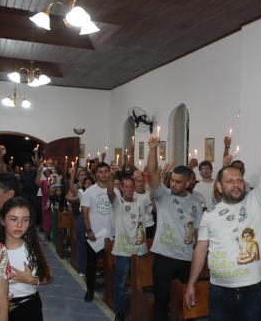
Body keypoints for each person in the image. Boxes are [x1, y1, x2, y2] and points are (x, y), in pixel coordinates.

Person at [184, 122, 261, 321]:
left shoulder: (255, 201)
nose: (236, 184)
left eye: (239, 180)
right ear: (219, 186)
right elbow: (201, 250)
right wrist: (191, 283)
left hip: (251, 289)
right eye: (230, 181)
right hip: (219, 290)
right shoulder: (210, 214)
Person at [147, 135, 204, 321]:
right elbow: (153, 172)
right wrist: (154, 148)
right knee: (161, 300)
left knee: (184, 302)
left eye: (178, 182)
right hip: (164, 257)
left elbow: (199, 232)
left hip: (187, 258)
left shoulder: (197, 202)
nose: (173, 184)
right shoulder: (164, 195)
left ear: (189, 183)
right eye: (172, 180)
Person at [0, 197, 53, 321]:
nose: (19, 225)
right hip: (3, 308)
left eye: (25, 220)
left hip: (31, 305)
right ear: (2, 220)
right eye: (13, 219)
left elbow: (49, 277)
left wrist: (31, 280)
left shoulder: (32, 245)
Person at [111, 177, 151, 321]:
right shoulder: (117, 202)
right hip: (122, 251)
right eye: (125, 187)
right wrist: (111, 176)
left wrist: (163, 175)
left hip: (139, 250)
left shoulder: (141, 200)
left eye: (131, 187)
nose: (128, 189)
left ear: (134, 188)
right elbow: (110, 192)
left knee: (141, 283)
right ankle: (120, 312)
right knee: (120, 284)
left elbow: (156, 193)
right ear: (122, 188)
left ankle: (138, 309)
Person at [81, 162, 121, 302]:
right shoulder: (89, 191)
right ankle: (90, 290)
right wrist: (88, 230)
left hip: (110, 235)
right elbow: (85, 212)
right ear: (96, 174)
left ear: (109, 173)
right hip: (94, 235)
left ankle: (109, 292)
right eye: (100, 172)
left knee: (110, 266)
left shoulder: (115, 191)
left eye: (106, 171)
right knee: (91, 265)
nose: (103, 174)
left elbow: (118, 211)